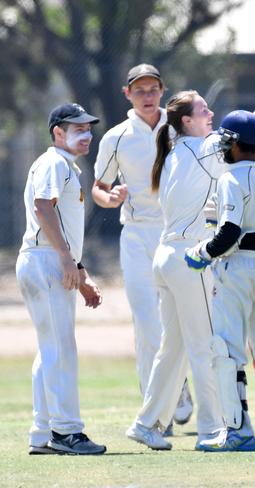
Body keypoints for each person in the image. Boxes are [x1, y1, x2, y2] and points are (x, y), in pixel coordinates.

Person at [92, 64, 193, 434]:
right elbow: (98, 187)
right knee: (147, 324)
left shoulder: (179, 126)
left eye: (153, 90)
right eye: (140, 91)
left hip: (178, 232)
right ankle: (157, 413)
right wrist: (110, 197)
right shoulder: (116, 136)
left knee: (183, 318)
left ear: (162, 91)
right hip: (136, 236)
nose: (147, 97)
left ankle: (179, 385)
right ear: (127, 94)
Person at [186, 110, 255, 452]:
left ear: (232, 143)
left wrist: (201, 253)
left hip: (235, 268)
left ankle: (238, 431)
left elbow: (229, 232)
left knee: (226, 348)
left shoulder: (230, 179)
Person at [125, 90, 226, 451]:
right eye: (203, 110)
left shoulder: (174, 153)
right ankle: (212, 430)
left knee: (174, 348)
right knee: (205, 346)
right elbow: (250, 128)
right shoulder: (202, 150)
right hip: (188, 258)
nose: (210, 113)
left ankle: (146, 423)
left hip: (165, 258)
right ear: (186, 121)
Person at [16, 103, 106, 455]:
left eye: (88, 128)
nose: (86, 134)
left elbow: (61, 222)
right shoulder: (54, 162)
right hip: (45, 260)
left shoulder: (63, 165)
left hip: (46, 260)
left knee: (50, 348)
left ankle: (42, 432)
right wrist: (67, 260)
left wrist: (80, 273)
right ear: (58, 132)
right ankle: (66, 432)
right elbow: (43, 207)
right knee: (61, 349)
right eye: (77, 128)